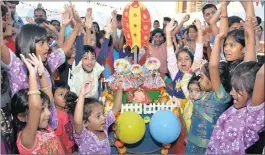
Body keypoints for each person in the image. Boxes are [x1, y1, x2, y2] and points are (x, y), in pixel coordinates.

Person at [1, 7, 82, 130]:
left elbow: (65, 48)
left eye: (47, 43)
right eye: (42, 43)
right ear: (29, 43)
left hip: (50, 127)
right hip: (29, 133)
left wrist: (77, 26)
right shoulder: (16, 65)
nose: (48, 47)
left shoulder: (48, 62)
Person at [206, 62, 264, 154]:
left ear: (253, 93)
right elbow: (248, 72)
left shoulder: (252, 118)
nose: (231, 93)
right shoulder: (237, 107)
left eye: (237, 90)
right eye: (233, 88)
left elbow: (261, 76)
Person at [11, 53, 64, 154]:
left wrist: (41, 75)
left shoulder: (46, 128)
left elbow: (49, 99)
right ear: (22, 117)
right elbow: (35, 108)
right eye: (42, 110)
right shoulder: (27, 138)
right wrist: (32, 74)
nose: (48, 113)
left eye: (46, 108)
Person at [73, 78, 123, 154]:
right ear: (85, 122)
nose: (103, 118)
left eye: (103, 113)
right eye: (98, 116)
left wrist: (119, 90)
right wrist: (82, 95)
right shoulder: (83, 136)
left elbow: (116, 108)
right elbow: (78, 120)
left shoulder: (104, 126)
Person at [53, 81, 75, 154]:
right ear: (52, 97)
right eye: (61, 94)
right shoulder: (56, 117)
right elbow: (58, 140)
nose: (65, 97)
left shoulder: (66, 111)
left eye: (67, 94)